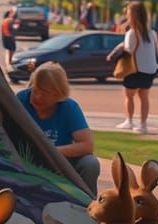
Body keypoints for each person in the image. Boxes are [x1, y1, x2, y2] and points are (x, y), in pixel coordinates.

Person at [17, 61, 100, 194]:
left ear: (58, 95)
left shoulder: (69, 107)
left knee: (90, 164)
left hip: (59, 161)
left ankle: (88, 206)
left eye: (44, 93)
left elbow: (87, 145)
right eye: (35, 90)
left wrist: (51, 151)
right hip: (26, 161)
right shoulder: (21, 100)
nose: (37, 97)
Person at [107, 0, 158, 133]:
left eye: (128, 13)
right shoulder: (151, 32)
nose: (126, 15)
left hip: (135, 70)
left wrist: (118, 48)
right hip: (150, 70)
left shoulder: (132, 33)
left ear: (133, 15)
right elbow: (157, 49)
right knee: (144, 97)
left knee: (129, 95)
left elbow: (129, 50)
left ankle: (129, 121)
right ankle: (143, 125)